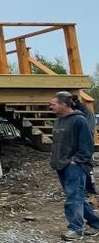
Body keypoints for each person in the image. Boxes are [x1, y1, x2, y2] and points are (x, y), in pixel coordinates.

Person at [50, 91, 99, 240]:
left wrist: (76, 161)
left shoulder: (79, 120)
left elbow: (87, 145)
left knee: (73, 198)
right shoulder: (59, 120)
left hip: (75, 166)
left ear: (64, 104)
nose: (50, 106)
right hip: (61, 164)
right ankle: (96, 223)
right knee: (77, 196)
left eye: (53, 104)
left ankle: (76, 229)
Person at [72, 94, 98, 195]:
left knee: (87, 166)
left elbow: (89, 131)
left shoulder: (84, 114)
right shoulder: (85, 112)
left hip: (85, 144)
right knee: (86, 167)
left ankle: (90, 189)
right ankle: (88, 188)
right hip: (85, 142)